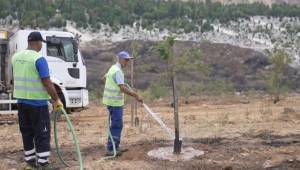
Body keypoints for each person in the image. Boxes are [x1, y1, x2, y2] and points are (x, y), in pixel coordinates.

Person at [12, 31, 63, 170]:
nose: (41, 46)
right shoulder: (38, 59)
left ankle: (30, 163)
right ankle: (43, 163)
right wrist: (56, 99)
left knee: (27, 132)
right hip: (37, 103)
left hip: (22, 102)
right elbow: (47, 82)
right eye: (41, 43)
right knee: (42, 133)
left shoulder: (15, 57)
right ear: (38, 42)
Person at [102, 51, 143, 156]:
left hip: (110, 102)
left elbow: (105, 77)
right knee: (117, 125)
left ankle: (115, 147)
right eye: (126, 60)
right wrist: (136, 95)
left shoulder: (113, 68)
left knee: (116, 125)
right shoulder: (118, 71)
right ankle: (111, 149)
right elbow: (122, 88)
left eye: (128, 60)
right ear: (120, 59)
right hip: (115, 103)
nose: (127, 62)